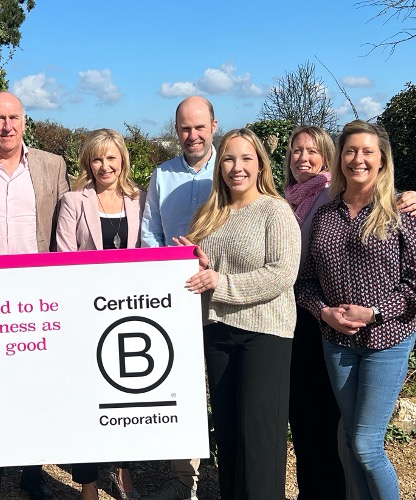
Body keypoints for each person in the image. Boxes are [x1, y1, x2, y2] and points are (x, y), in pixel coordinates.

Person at [283, 126, 416, 500]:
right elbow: (306, 282)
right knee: (349, 438)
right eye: (350, 151)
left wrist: (374, 313)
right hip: (337, 344)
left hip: (387, 340)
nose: (358, 159)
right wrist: (324, 312)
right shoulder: (327, 215)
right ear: (340, 157)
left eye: (367, 152)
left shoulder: (402, 212)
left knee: (365, 444)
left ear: (382, 160)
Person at [183, 128, 300, 500]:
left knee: (258, 440)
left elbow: (283, 273)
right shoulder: (210, 213)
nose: (237, 167)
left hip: (264, 334)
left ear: (260, 164)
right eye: (229, 159)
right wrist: (197, 262)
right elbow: (207, 274)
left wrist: (221, 283)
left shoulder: (275, 210)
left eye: (246, 158)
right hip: (218, 332)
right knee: (230, 437)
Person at [0, 91, 69, 500]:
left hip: (37, 290)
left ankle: (32, 471)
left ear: (24, 121)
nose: (6, 126)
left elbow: (67, 222)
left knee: (35, 385)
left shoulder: (51, 165)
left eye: (14, 118)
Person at [55, 128, 144, 500]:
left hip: (128, 313)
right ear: (87, 162)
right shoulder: (73, 200)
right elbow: (62, 257)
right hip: (85, 315)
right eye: (97, 158)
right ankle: (88, 481)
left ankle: (123, 471)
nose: (105, 165)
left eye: (111, 157)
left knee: (125, 395)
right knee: (86, 400)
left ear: (122, 158)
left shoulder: (139, 199)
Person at [141, 95, 218, 500]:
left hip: (225, 294)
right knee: (180, 382)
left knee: (223, 382)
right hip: (175, 296)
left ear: (214, 126)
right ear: (177, 131)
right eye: (185, 128)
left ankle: (227, 468)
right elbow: (149, 231)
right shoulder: (162, 175)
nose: (193, 135)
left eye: (200, 127)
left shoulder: (231, 170)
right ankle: (182, 478)